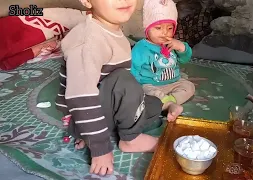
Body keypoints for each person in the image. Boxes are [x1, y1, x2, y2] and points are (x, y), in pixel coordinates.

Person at [55, 0, 181, 176]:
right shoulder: (88, 41)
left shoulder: (112, 29)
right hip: (85, 112)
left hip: (105, 108)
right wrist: (99, 147)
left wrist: (165, 104)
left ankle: (161, 108)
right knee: (124, 79)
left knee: (150, 102)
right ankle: (130, 139)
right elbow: (80, 97)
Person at [131, 0, 195, 121]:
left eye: (170, 28)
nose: (164, 32)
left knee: (189, 86)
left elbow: (185, 59)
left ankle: (169, 101)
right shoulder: (141, 47)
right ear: (147, 29)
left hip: (173, 82)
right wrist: (136, 85)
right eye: (158, 28)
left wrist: (181, 47)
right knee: (146, 92)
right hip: (151, 85)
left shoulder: (173, 44)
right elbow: (133, 68)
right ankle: (169, 104)